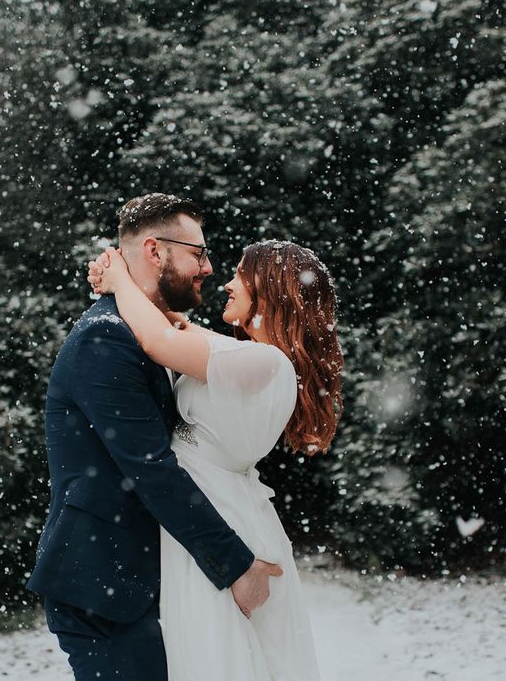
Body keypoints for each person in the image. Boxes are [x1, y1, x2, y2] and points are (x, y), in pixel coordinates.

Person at [26, 193, 283, 680]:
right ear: (153, 251)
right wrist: (235, 566)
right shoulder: (104, 339)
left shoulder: (149, 333)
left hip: (140, 580)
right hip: (105, 585)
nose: (208, 267)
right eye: (198, 253)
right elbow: (150, 469)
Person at [88, 235, 344, 680]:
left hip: (225, 522)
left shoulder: (266, 362)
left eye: (240, 275)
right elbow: (179, 329)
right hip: (213, 514)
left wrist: (118, 280)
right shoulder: (249, 356)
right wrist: (131, 285)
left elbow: (160, 341)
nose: (226, 284)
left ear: (271, 289)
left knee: (222, 661)